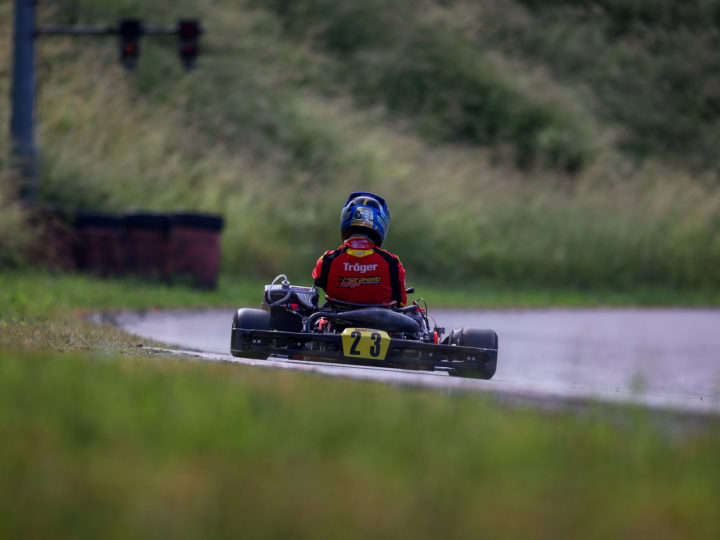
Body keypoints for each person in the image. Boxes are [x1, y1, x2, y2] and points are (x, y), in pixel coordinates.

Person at [313, 192, 407, 307]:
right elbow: (401, 303)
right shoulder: (392, 263)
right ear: (381, 222)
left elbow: (319, 282)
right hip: (379, 324)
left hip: (337, 322)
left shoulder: (326, 261)